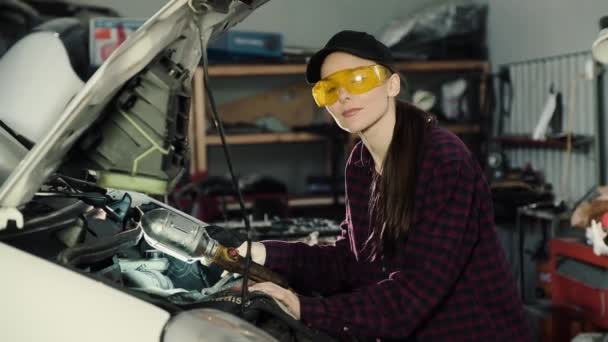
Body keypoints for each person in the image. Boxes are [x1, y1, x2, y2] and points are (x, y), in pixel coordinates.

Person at [238, 30, 531, 341]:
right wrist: (265, 254)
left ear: (393, 84)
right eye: (329, 89)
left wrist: (304, 309)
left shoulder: (444, 160)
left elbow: (413, 294)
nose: (343, 96)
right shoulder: (361, 163)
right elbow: (352, 263)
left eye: (358, 80)